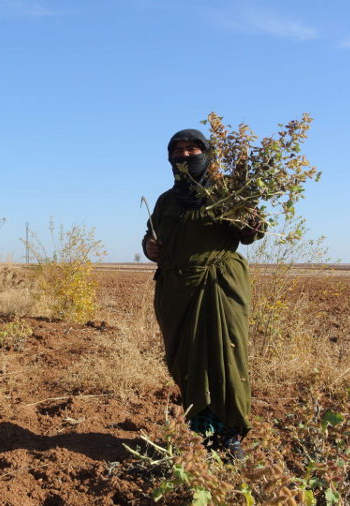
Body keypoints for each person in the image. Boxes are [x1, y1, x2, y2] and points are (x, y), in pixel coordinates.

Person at [142, 128, 264, 458]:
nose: (184, 156)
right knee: (185, 361)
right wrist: (150, 247)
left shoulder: (226, 192)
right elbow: (151, 236)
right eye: (177, 150)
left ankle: (231, 435)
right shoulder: (166, 201)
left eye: (192, 149)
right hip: (176, 292)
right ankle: (202, 430)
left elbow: (253, 233)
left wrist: (250, 219)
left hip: (219, 286)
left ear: (206, 154)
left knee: (226, 357)